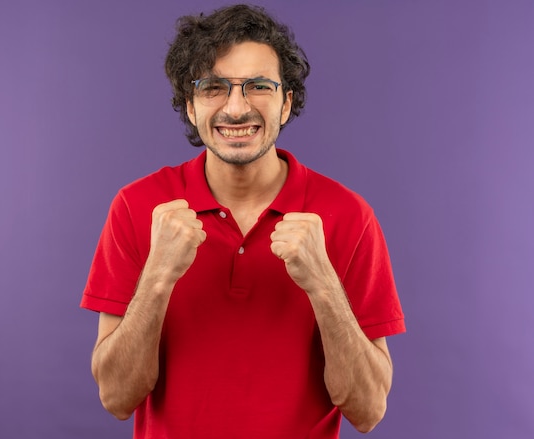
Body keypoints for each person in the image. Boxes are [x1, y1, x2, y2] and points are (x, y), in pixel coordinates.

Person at [80, 4, 405, 438]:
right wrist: (157, 276)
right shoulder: (137, 206)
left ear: (286, 103)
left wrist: (324, 284)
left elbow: (368, 411)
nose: (236, 108)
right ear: (190, 107)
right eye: (214, 87)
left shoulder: (349, 215)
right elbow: (117, 398)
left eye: (258, 86)